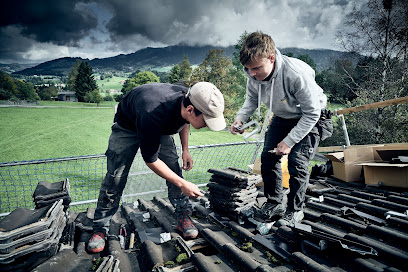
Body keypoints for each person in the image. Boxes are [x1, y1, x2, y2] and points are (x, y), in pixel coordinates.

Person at [88, 82, 226, 253]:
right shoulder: (152, 110)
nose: (207, 125)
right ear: (191, 109)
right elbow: (151, 160)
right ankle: (100, 228)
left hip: (159, 128)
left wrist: (185, 149)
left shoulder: (186, 102)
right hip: (127, 127)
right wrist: (183, 184)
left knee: (174, 169)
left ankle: (183, 215)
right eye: (206, 120)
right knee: (115, 178)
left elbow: (184, 122)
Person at [231, 32, 330, 227]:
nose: (252, 74)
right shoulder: (252, 73)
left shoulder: (295, 74)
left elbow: (312, 113)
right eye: (248, 69)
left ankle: (295, 210)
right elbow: (251, 99)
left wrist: (289, 142)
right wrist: (240, 119)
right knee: (268, 159)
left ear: (272, 57)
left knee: (297, 161)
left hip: (311, 117)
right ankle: (274, 204)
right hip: (283, 116)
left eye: (256, 68)